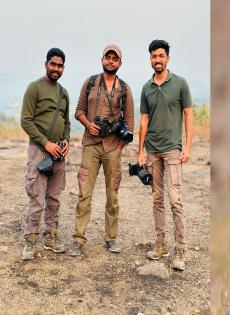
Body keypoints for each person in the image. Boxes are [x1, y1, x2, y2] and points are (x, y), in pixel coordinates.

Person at [68, 44, 134, 256]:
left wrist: (121, 146)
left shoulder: (124, 89)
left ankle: (111, 238)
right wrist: (88, 124)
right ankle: (78, 239)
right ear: (102, 60)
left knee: (112, 195)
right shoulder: (90, 83)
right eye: (108, 58)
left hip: (113, 147)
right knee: (84, 193)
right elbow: (78, 110)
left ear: (120, 63)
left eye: (115, 59)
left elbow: (130, 120)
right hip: (91, 145)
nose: (111, 61)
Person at [138, 39, 193, 271]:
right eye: (153, 56)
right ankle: (160, 245)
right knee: (156, 199)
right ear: (150, 59)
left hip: (172, 150)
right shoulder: (146, 88)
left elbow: (188, 115)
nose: (157, 60)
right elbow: (144, 120)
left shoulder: (180, 83)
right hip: (152, 151)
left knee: (175, 200)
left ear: (168, 58)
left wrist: (187, 147)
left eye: (161, 56)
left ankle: (180, 249)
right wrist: (140, 150)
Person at [20, 48, 70, 261]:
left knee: (54, 197)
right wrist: (45, 143)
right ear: (46, 64)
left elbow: (66, 122)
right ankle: (30, 240)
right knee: (37, 198)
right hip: (40, 151)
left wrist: (66, 139)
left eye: (60, 66)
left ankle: (51, 236)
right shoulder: (35, 88)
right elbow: (26, 120)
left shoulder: (63, 93)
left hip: (59, 152)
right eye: (53, 64)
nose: (56, 69)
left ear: (63, 68)